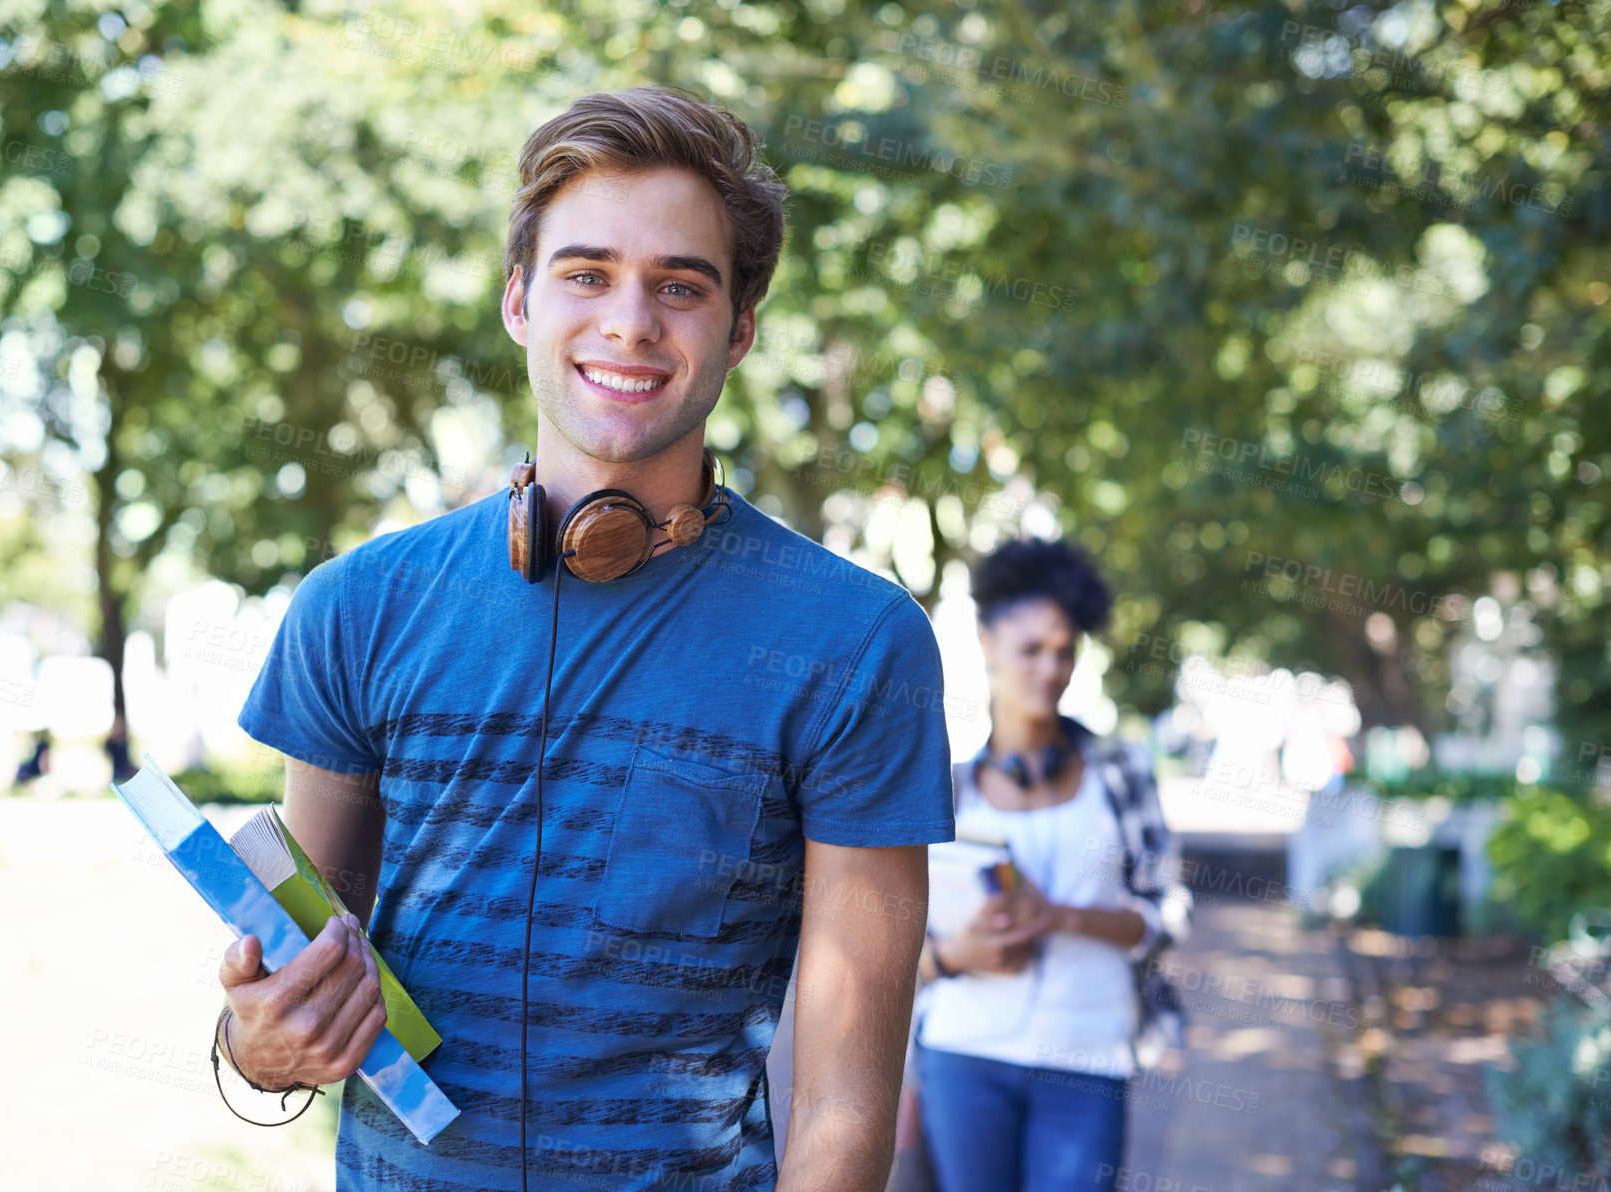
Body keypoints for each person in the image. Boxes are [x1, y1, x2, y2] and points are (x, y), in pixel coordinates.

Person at [216, 86, 955, 1192]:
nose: (628, 322)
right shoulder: (354, 609)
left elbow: (844, 1106)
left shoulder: (858, 643)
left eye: (681, 286)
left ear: (740, 329)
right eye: (585, 273)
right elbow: (302, 975)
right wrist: (256, 1045)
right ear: (519, 300)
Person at [908, 537, 1192, 1192]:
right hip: (963, 1056)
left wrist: (1060, 916)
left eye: (1065, 652)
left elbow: (1167, 912)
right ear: (986, 642)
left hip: (1088, 1056)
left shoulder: (1121, 774)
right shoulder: (944, 790)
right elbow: (892, 946)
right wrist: (956, 955)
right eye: (1031, 649)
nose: (1051, 669)